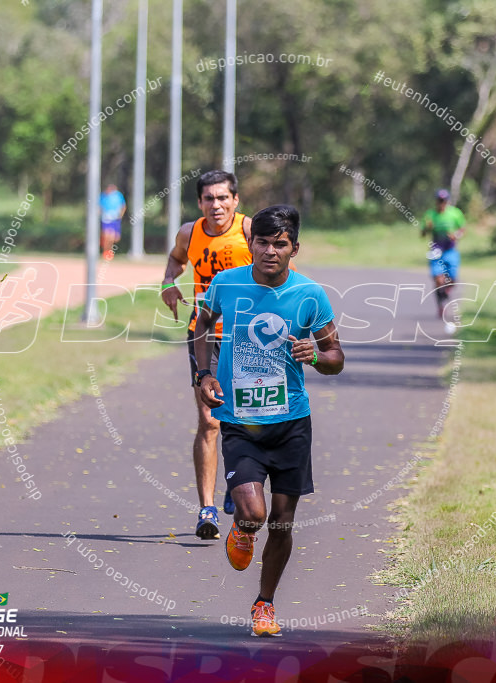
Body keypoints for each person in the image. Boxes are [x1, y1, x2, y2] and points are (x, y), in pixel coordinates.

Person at [193, 204, 344, 637]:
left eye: (280, 244)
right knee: (255, 513)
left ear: (294, 248)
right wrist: (203, 375)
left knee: (281, 522)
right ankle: (242, 528)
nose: (270, 251)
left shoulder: (310, 294)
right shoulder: (226, 284)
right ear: (251, 245)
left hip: (292, 423)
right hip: (241, 421)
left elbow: (336, 357)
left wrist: (315, 355)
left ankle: (264, 604)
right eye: (262, 242)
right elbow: (201, 326)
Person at [161, 170, 253, 539]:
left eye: (222, 198)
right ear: (199, 203)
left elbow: (283, 270)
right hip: (205, 334)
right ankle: (207, 510)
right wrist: (169, 283)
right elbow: (175, 260)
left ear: (235, 200)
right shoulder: (190, 232)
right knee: (210, 420)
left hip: (249, 338)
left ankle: (236, 482)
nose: (216, 205)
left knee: (245, 418)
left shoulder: (249, 231)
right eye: (209, 199)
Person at [422, 189, 466, 333]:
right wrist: (427, 229)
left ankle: (446, 293)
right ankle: (441, 304)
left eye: (444, 201)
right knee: (438, 280)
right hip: (436, 251)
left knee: (452, 280)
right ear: (436, 201)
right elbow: (423, 233)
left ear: (447, 201)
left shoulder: (455, 213)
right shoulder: (430, 215)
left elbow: (462, 229)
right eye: (439, 201)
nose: (442, 203)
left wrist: (457, 235)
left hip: (451, 250)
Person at [99, 184, 126, 260]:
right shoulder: (103, 196)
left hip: (115, 219)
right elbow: (99, 206)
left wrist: (121, 215)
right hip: (106, 219)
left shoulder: (118, 196)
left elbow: (123, 206)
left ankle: (105, 245)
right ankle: (106, 252)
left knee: (115, 238)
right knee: (108, 236)